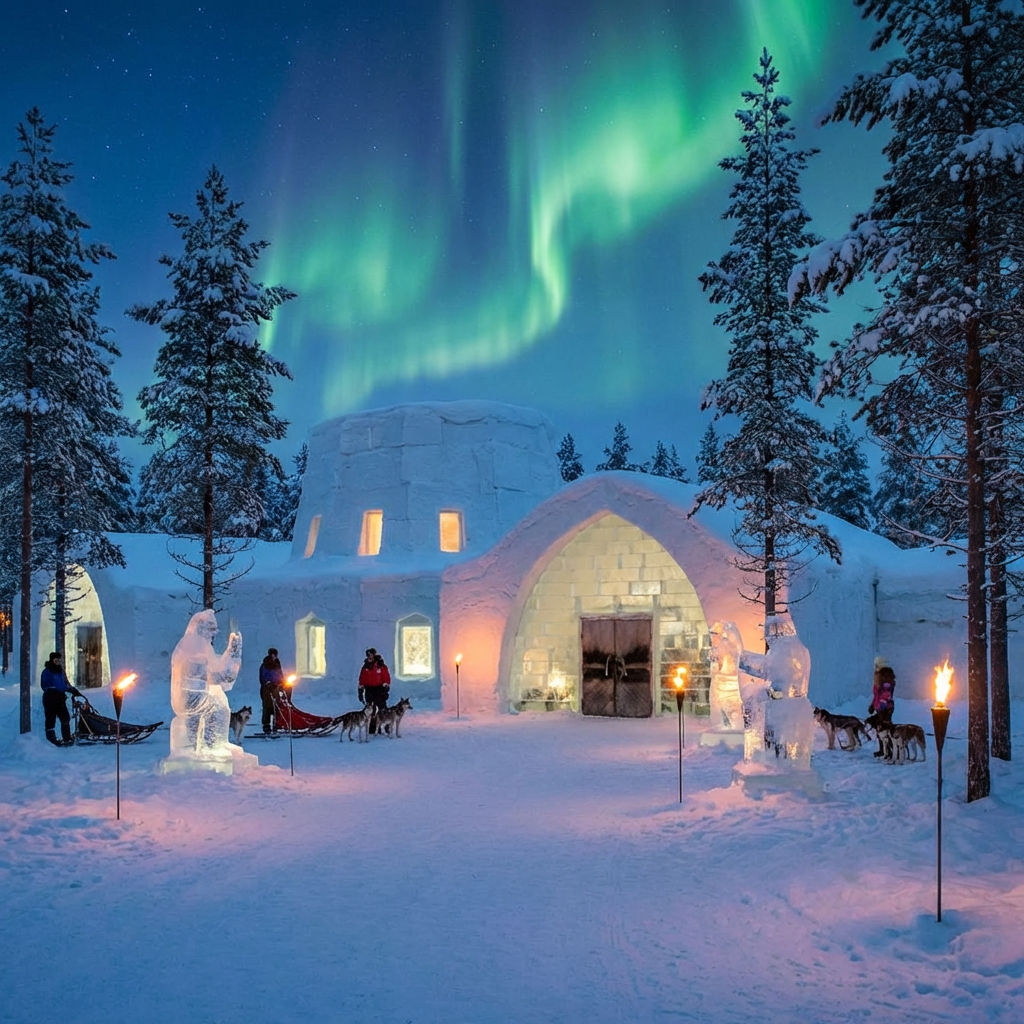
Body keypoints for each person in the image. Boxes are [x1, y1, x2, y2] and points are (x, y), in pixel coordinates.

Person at [40, 651, 81, 747]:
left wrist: (72, 690)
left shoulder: (61, 671)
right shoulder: (47, 672)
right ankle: (51, 740)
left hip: (60, 698)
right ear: (52, 660)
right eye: (56, 660)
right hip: (50, 698)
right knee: (50, 719)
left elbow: (65, 683)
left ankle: (67, 739)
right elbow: (46, 685)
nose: (58, 661)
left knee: (65, 718)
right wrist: (56, 690)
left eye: (59, 660)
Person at [869, 656, 897, 758]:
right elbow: (877, 694)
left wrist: (881, 707)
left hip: (885, 708)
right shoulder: (879, 676)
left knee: (886, 729)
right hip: (880, 707)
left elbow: (886, 694)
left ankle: (890, 750)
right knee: (880, 729)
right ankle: (883, 749)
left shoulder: (886, 677)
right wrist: (873, 705)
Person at [359, 648, 391, 733]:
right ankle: (373, 727)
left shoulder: (380, 665)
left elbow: (386, 677)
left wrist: (386, 688)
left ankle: (387, 726)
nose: (369, 657)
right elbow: (362, 679)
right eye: (368, 655)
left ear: (374, 655)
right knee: (370, 709)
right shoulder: (365, 666)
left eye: (371, 655)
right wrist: (360, 690)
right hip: (369, 689)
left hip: (379, 689)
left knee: (382, 708)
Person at [259, 648, 285, 735]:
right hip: (267, 690)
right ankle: (266, 726)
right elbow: (263, 677)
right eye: (272, 654)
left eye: (275, 655)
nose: (274, 656)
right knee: (267, 707)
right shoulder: (265, 665)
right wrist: (268, 684)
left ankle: (276, 725)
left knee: (277, 707)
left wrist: (283, 684)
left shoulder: (277, 664)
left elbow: (280, 675)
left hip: (276, 689)